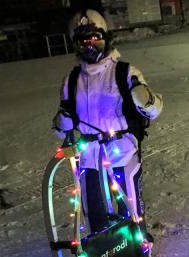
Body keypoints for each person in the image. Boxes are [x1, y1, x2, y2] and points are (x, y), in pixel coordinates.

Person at [52, 9, 163, 242]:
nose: (90, 46)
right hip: (89, 154)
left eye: (94, 38)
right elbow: (64, 119)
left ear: (105, 36)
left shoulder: (124, 72)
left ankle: (138, 250)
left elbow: (153, 109)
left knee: (130, 209)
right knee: (94, 211)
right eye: (83, 41)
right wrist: (62, 122)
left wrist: (145, 99)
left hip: (122, 148)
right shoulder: (72, 80)